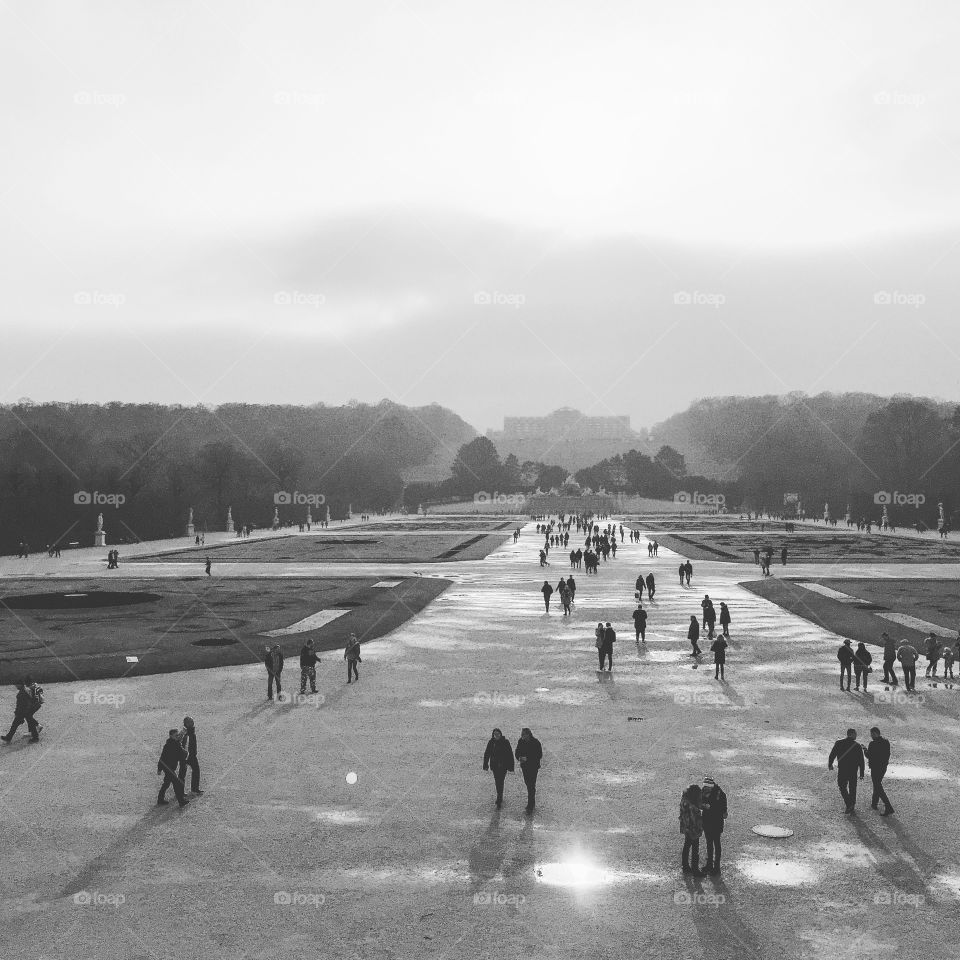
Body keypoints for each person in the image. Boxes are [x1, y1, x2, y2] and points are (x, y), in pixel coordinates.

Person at [827, 727, 864, 814]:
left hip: (843, 769)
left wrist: (830, 764)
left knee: (842, 786)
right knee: (852, 788)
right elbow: (861, 761)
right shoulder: (857, 746)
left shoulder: (839, 743)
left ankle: (848, 804)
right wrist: (861, 773)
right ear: (851, 734)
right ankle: (852, 805)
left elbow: (832, 754)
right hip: (853, 771)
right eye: (855, 734)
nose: (856, 735)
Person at [1, 678, 43, 743]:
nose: (16, 686)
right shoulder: (26, 689)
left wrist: (19, 714)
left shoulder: (21, 693)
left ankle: (35, 737)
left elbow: (21, 706)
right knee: (22, 722)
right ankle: (9, 737)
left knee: (18, 723)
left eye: (16, 685)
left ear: (20, 685)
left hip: (25, 710)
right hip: (29, 709)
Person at [700, 777, 728, 874]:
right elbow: (700, 803)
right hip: (707, 822)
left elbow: (724, 812)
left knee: (716, 843)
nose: (705, 790)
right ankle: (709, 864)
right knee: (709, 843)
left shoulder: (720, 794)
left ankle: (716, 867)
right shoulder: (704, 791)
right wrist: (703, 806)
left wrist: (710, 807)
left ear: (711, 787)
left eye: (707, 788)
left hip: (716, 822)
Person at [482, 728, 514, 808]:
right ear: (493, 735)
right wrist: (485, 764)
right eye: (495, 734)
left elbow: (510, 754)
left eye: (498, 734)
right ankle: (499, 795)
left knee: (501, 780)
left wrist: (511, 766)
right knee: (497, 781)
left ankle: (499, 797)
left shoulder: (505, 742)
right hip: (495, 766)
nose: (496, 735)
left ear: (500, 734)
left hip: (503, 766)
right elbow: (487, 753)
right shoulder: (491, 742)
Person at [157, 728, 190, 807]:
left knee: (166, 783)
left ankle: (160, 799)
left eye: (177, 735)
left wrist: (182, 734)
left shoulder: (174, 743)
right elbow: (162, 757)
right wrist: (159, 768)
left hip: (170, 767)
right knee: (176, 783)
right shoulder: (170, 745)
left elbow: (179, 743)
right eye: (176, 735)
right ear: (171, 736)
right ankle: (181, 801)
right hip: (168, 767)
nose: (177, 736)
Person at [865, 727, 893, 816]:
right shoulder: (886, 741)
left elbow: (869, 755)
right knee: (877, 784)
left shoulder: (872, 744)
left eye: (872, 734)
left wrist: (864, 749)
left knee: (877, 786)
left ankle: (888, 806)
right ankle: (874, 803)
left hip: (875, 768)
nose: (871, 736)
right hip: (883, 768)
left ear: (876, 733)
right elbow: (888, 754)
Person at [515, 727, 542, 813]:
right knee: (528, 784)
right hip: (525, 767)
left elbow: (539, 755)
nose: (521, 736)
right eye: (521, 734)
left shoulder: (536, 742)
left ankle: (530, 804)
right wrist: (519, 757)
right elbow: (517, 751)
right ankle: (532, 802)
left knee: (531, 785)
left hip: (533, 767)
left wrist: (527, 758)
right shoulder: (521, 741)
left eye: (523, 734)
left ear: (528, 734)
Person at [679, 784, 704, 875]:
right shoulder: (693, 808)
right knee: (695, 849)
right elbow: (696, 819)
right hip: (693, 830)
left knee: (686, 846)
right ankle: (695, 870)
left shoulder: (684, 801)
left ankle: (685, 866)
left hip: (686, 828)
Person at [177, 716, 202, 795]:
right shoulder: (185, 733)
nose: (193, 723)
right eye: (191, 722)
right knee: (182, 774)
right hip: (186, 756)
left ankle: (194, 789)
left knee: (195, 771)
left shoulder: (189, 731)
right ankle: (181, 791)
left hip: (190, 755)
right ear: (187, 724)